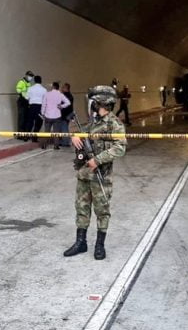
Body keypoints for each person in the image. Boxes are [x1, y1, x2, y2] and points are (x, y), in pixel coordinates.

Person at [63, 86, 127, 260]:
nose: (92, 104)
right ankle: (81, 243)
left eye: (94, 102)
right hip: (84, 174)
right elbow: (80, 132)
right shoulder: (93, 121)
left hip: (101, 176)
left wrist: (97, 160)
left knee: (102, 210)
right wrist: (74, 136)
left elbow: (120, 148)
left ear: (102, 102)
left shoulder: (115, 124)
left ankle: (100, 245)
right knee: (81, 208)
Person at [41, 81, 71, 150]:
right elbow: (68, 102)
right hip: (57, 116)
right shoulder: (60, 94)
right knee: (56, 131)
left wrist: (42, 113)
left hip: (48, 115)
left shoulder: (47, 94)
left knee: (47, 131)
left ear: (53, 87)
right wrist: (62, 106)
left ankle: (44, 145)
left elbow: (43, 105)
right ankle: (56, 145)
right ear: (58, 87)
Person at [25, 75, 46, 142]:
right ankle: (34, 137)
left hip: (32, 107)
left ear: (34, 81)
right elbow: (45, 100)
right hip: (40, 107)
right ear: (41, 81)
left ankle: (26, 136)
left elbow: (26, 97)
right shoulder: (44, 90)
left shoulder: (30, 88)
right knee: (38, 122)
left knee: (30, 121)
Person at [16, 71, 34, 140]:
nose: (30, 77)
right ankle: (20, 135)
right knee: (21, 118)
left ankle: (25, 134)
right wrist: (24, 95)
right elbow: (18, 90)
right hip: (22, 101)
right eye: (30, 76)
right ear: (26, 75)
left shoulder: (28, 83)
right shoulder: (21, 82)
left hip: (27, 102)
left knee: (26, 118)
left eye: (31, 76)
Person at [58, 83, 75, 147]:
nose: (62, 89)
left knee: (64, 128)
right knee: (64, 127)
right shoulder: (70, 95)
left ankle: (65, 142)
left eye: (63, 87)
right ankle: (65, 140)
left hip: (65, 115)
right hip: (69, 114)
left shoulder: (65, 96)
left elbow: (63, 106)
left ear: (66, 88)